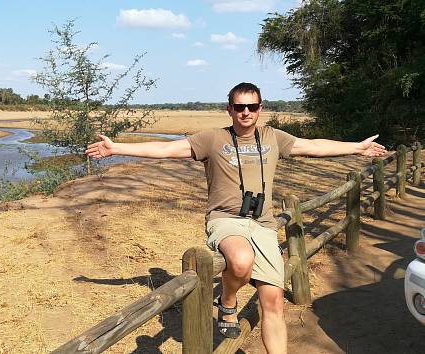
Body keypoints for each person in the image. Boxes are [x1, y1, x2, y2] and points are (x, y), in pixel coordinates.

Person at [85, 82, 386, 354]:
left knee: (273, 303)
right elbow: (167, 148)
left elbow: (316, 145)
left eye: (251, 107)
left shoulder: (273, 138)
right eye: (239, 107)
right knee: (240, 262)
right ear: (229, 109)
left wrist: (358, 148)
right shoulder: (213, 139)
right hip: (225, 219)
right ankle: (228, 301)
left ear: (260, 109)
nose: (245, 113)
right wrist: (117, 148)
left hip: (264, 224)